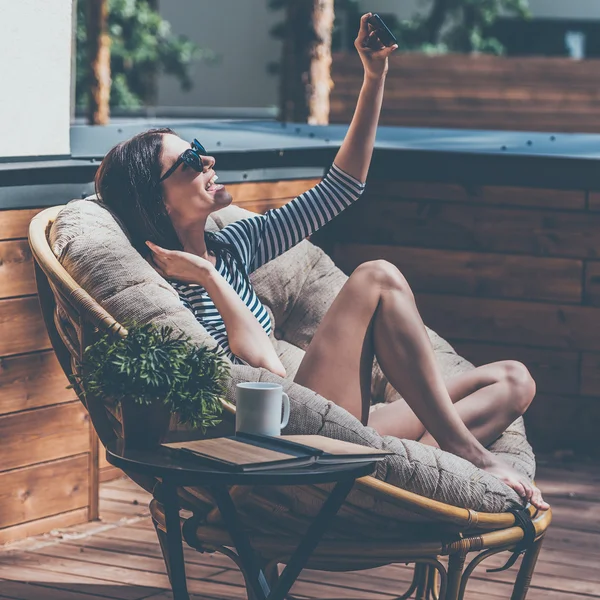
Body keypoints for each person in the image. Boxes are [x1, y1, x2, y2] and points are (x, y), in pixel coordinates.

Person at [95, 14, 548, 511]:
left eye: (200, 150)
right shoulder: (167, 286)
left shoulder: (234, 245)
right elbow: (263, 369)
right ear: (157, 204)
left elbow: (341, 189)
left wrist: (374, 77)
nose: (207, 161)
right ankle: (466, 456)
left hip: (335, 417)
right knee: (376, 277)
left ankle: (399, 481)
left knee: (512, 380)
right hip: (287, 427)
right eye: (189, 161)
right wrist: (207, 279)